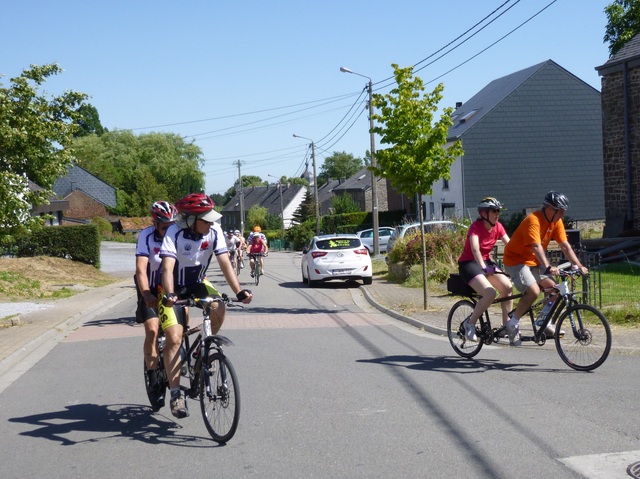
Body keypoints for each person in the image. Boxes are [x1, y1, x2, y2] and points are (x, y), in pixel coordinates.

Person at [158, 193, 253, 419]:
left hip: (198, 282)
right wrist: (170, 294)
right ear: (191, 219)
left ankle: (200, 353)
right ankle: (175, 394)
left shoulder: (214, 231)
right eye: (206, 219)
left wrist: (238, 291)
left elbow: (224, 263)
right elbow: (167, 268)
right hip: (174, 287)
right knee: (173, 337)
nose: (211, 223)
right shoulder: (175, 232)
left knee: (219, 306)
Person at [502, 191, 588, 346]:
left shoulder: (556, 222)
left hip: (533, 262)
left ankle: (542, 322)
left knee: (555, 290)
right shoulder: (533, 220)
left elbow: (564, 246)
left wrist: (579, 265)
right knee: (533, 291)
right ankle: (512, 322)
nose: (562, 214)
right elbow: (536, 246)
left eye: (563, 211)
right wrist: (548, 267)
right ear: (550, 209)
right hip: (515, 261)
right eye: (560, 211)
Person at [134, 200, 178, 409]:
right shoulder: (146, 236)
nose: (168, 229)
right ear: (155, 222)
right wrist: (146, 294)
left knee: (179, 329)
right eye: (164, 226)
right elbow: (141, 270)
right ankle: (152, 376)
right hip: (150, 288)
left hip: (172, 289)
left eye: (172, 224)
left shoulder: (178, 235)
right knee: (152, 330)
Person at [458, 197, 513, 342]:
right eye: (494, 211)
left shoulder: (498, 226)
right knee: (489, 293)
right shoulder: (475, 227)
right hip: (469, 264)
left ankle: (506, 326)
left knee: (507, 286)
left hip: (486, 262)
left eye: (498, 211)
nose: (497, 214)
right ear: (484, 213)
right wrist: (482, 266)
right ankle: (469, 324)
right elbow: (475, 249)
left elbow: (511, 245)